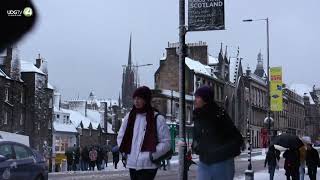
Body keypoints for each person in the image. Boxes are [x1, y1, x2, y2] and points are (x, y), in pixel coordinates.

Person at [117, 86, 171, 180]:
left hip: (148, 165)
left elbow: (166, 142)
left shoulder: (157, 118)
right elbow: (121, 136)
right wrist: (125, 152)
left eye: (139, 98)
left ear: (146, 100)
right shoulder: (129, 117)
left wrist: (152, 155)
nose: (136, 101)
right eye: (135, 98)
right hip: (132, 163)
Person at [191, 86, 243, 180]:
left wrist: (219, 152)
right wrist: (196, 146)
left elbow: (237, 139)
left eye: (197, 97)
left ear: (205, 99)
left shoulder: (219, 115)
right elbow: (198, 137)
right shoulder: (198, 116)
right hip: (204, 161)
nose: (195, 100)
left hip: (222, 162)